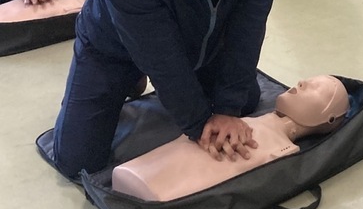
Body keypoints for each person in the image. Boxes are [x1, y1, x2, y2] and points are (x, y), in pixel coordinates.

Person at [50, 0, 281, 179]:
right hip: (114, 48)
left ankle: (181, 87)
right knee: (77, 160)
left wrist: (226, 109)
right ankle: (129, 79)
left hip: (198, 40)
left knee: (244, 101)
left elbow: (248, 27)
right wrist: (199, 126)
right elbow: (161, 58)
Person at [111, 75, 349, 202]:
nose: (301, 82)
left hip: (166, 192)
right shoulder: (265, 127)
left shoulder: (282, 149)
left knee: (218, 157)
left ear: (329, 118)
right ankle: (145, 176)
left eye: (316, 89)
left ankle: (155, 191)